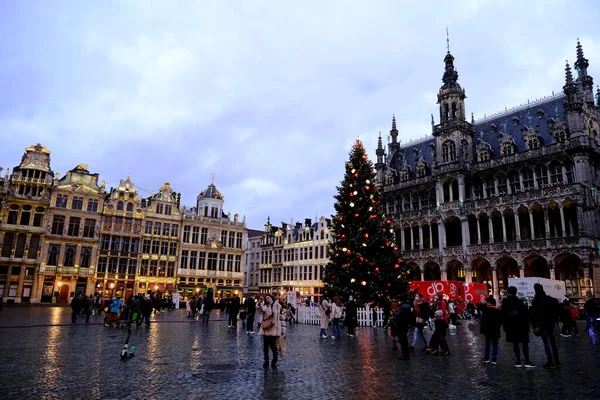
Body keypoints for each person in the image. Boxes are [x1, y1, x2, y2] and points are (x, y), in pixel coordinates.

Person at [502, 286, 535, 368]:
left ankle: (518, 361)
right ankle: (527, 361)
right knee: (524, 344)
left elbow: (503, 316)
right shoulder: (520, 302)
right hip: (521, 326)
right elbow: (526, 314)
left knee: (515, 343)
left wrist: (505, 327)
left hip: (511, 326)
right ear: (515, 292)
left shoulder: (505, 302)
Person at [530, 283, 561, 368]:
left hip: (542, 325)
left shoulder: (535, 301)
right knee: (553, 343)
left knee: (546, 343)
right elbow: (556, 310)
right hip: (550, 324)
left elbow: (533, 315)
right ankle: (557, 361)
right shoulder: (549, 299)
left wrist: (535, 326)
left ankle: (550, 361)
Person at [257, 294, 282, 369]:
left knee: (273, 347)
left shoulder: (276, 305)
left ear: (271, 298)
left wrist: (282, 331)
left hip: (273, 330)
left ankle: (274, 361)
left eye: (268, 298)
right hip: (266, 330)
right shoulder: (265, 306)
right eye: (266, 298)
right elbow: (261, 310)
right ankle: (266, 361)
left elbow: (277, 314)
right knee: (265, 347)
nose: (267, 299)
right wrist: (260, 303)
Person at [480, 296, 502, 365]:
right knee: (495, 344)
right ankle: (494, 360)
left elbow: (482, 321)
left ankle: (486, 359)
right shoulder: (497, 310)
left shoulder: (485, 310)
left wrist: (482, 330)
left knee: (487, 344)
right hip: (495, 330)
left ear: (489, 303)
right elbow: (500, 321)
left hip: (488, 330)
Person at [395, 295, 413, 360]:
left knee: (403, 341)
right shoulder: (408, 306)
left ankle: (405, 356)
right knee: (404, 340)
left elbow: (398, 315)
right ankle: (406, 355)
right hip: (405, 325)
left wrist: (394, 313)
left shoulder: (402, 307)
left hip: (401, 325)